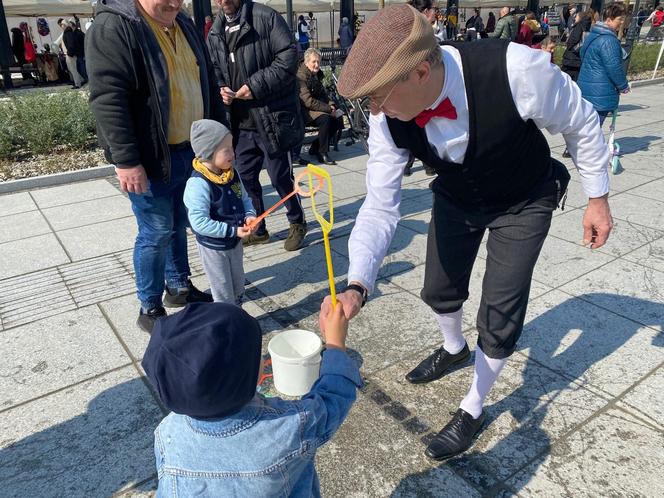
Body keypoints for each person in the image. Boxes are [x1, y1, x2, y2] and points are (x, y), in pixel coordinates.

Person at [322, 4, 613, 461]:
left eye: (378, 96)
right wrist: (359, 283)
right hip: (459, 195)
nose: (373, 110)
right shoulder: (387, 121)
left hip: (524, 196)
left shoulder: (517, 69)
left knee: (498, 311)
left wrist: (597, 198)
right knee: (439, 289)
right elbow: (380, 206)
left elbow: (580, 121)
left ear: (420, 71)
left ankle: (473, 405)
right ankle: (454, 349)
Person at [87, 0, 226, 333]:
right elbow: (108, 98)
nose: (175, 2)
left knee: (180, 221)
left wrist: (220, 139)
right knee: (156, 231)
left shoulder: (184, 23)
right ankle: (149, 306)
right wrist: (126, 160)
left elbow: (207, 79)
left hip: (190, 151)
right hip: (150, 158)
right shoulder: (116, 27)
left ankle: (178, 285)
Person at [143, 301, 362, 497]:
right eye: (257, 353)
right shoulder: (288, 428)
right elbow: (332, 398)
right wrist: (335, 344)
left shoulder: (167, 433)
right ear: (243, 376)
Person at [207, 0, 308, 251]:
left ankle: (297, 221)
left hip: (271, 118)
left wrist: (254, 86)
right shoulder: (216, 32)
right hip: (240, 123)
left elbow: (289, 56)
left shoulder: (266, 17)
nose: (223, 2)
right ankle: (259, 227)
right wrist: (221, 87)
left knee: (280, 177)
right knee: (245, 180)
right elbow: (214, 68)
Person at [184, 120, 257, 304]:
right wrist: (231, 230)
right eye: (226, 149)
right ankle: (226, 319)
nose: (233, 153)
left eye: (231, 147)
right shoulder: (198, 184)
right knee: (222, 288)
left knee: (238, 281)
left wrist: (250, 215)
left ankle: (237, 308)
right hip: (213, 247)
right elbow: (199, 222)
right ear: (209, 152)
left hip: (234, 242)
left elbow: (245, 198)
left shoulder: (232, 173)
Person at [578, 2, 630, 128]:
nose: (622, 22)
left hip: (586, 87)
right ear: (608, 19)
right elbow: (614, 67)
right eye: (619, 19)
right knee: (592, 130)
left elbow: (582, 54)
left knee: (584, 128)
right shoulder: (608, 40)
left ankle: (574, 148)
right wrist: (623, 85)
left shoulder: (593, 35)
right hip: (600, 91)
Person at [298, 48, 344, 166]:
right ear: (306, 62)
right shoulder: (301, 76)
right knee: (326, 119)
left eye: (318, 62)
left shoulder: (316, 75)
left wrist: (332, 106)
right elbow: (307, 101)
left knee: (338, 117)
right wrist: (328, 109)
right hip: (303, 111)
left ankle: (316, 146)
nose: (317, 64)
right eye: (314, 62)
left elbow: (323, 94)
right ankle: (323, 153)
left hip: (316, 109)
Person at [561, 10, 592, 82]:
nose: (575, 18)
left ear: (580, 18)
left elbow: (573, 40)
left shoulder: (578, 26)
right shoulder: (587, 27)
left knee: (565, 80)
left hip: (571, 58)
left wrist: (569, 46)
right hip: (579, 59)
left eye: (576, 16)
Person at [61, 19, 83, 88]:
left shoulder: (68, 33)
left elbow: (71, 44)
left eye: (62, 25)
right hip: (71, 53)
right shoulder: (68, 32)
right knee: (72, 69)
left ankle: (77, 83)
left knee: (73, 69)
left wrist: (70, 53)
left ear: (64, 25)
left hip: (71, 54)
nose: (61, 26)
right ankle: (80, 80)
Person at [70, 20, 88, 85]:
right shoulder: (77, 33)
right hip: (80, 53)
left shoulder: (77, 33)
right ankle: (86, 79)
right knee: (80, 68)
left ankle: (87, 79)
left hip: (80, 53)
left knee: (82, 68)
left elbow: (82, 44)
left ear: (72, 26)